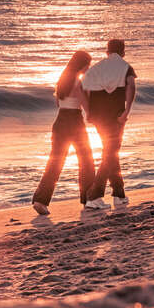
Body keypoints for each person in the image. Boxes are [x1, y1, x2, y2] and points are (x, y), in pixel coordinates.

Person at [32, 50, 95, 216]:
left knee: (55, 162)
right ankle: (89, 200)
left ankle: (40, 200)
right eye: (88, 65)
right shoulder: (79, 82)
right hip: (74, 121)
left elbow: (58, 103)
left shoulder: (62, 82)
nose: (89, 68)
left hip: (60, 121)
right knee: (86, 160)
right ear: (82, 65)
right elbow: (86, 106)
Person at [82, 38, 136, 210]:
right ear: (123, 52)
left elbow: (85, 90)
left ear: (107, 51)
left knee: (111, 151)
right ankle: (94, 196)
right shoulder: (125, 67)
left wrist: (89, 112)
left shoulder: (96, 68)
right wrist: (127, 111)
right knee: (111, 153)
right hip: (115, 116)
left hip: (98, 116)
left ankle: (119, 195)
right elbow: (131, 87)